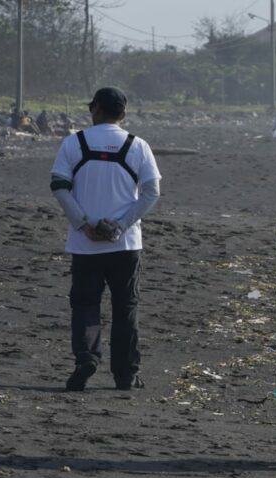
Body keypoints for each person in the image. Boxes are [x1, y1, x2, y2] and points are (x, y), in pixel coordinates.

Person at [50, 87, 162, 391]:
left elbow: (59, 185)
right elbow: (152, 192)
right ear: (123, 115)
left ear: (95, 109)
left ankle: (86, 356)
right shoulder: (137, 146)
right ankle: (125, 374)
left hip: (85, 244)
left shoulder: (75, 143)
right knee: (126, 307)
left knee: (86, 304)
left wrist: (84, 223)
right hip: (124, 244)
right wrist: (122, 224)